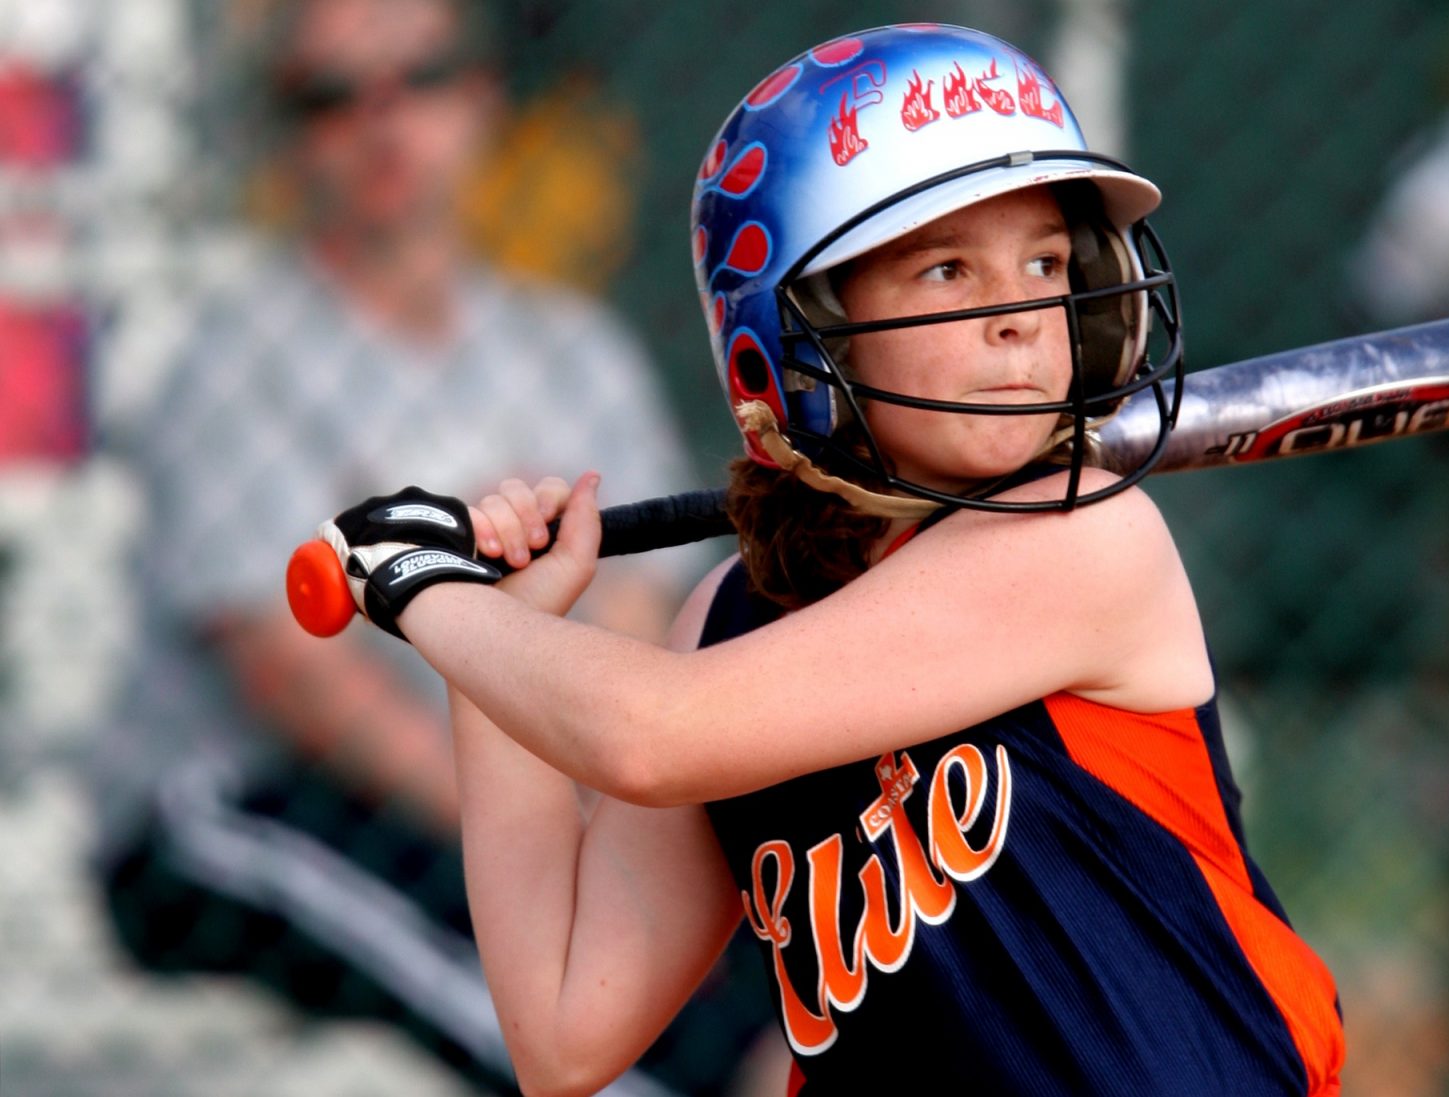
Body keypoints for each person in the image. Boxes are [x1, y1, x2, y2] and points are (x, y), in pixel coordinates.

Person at [311, 24, 1347, 1097]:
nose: (1021, 320)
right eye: (947, 270)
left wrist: (418, 590)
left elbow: (657, 732)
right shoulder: (731, 618)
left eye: (1044, 261)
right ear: (806, 333)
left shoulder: (1080, 537)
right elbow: (565, 1027)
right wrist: (491, 644)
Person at [90, 1, 769, 1093]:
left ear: (482, 100)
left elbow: (637, 621)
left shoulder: (568, 349)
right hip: (242, 797)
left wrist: (604, 819)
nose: (383, 121)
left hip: (530, 781)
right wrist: (543, 824)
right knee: (524, 967)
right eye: (331, 97)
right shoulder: (238, 354)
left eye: (422, 77)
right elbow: (300, 681)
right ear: (286, 136)